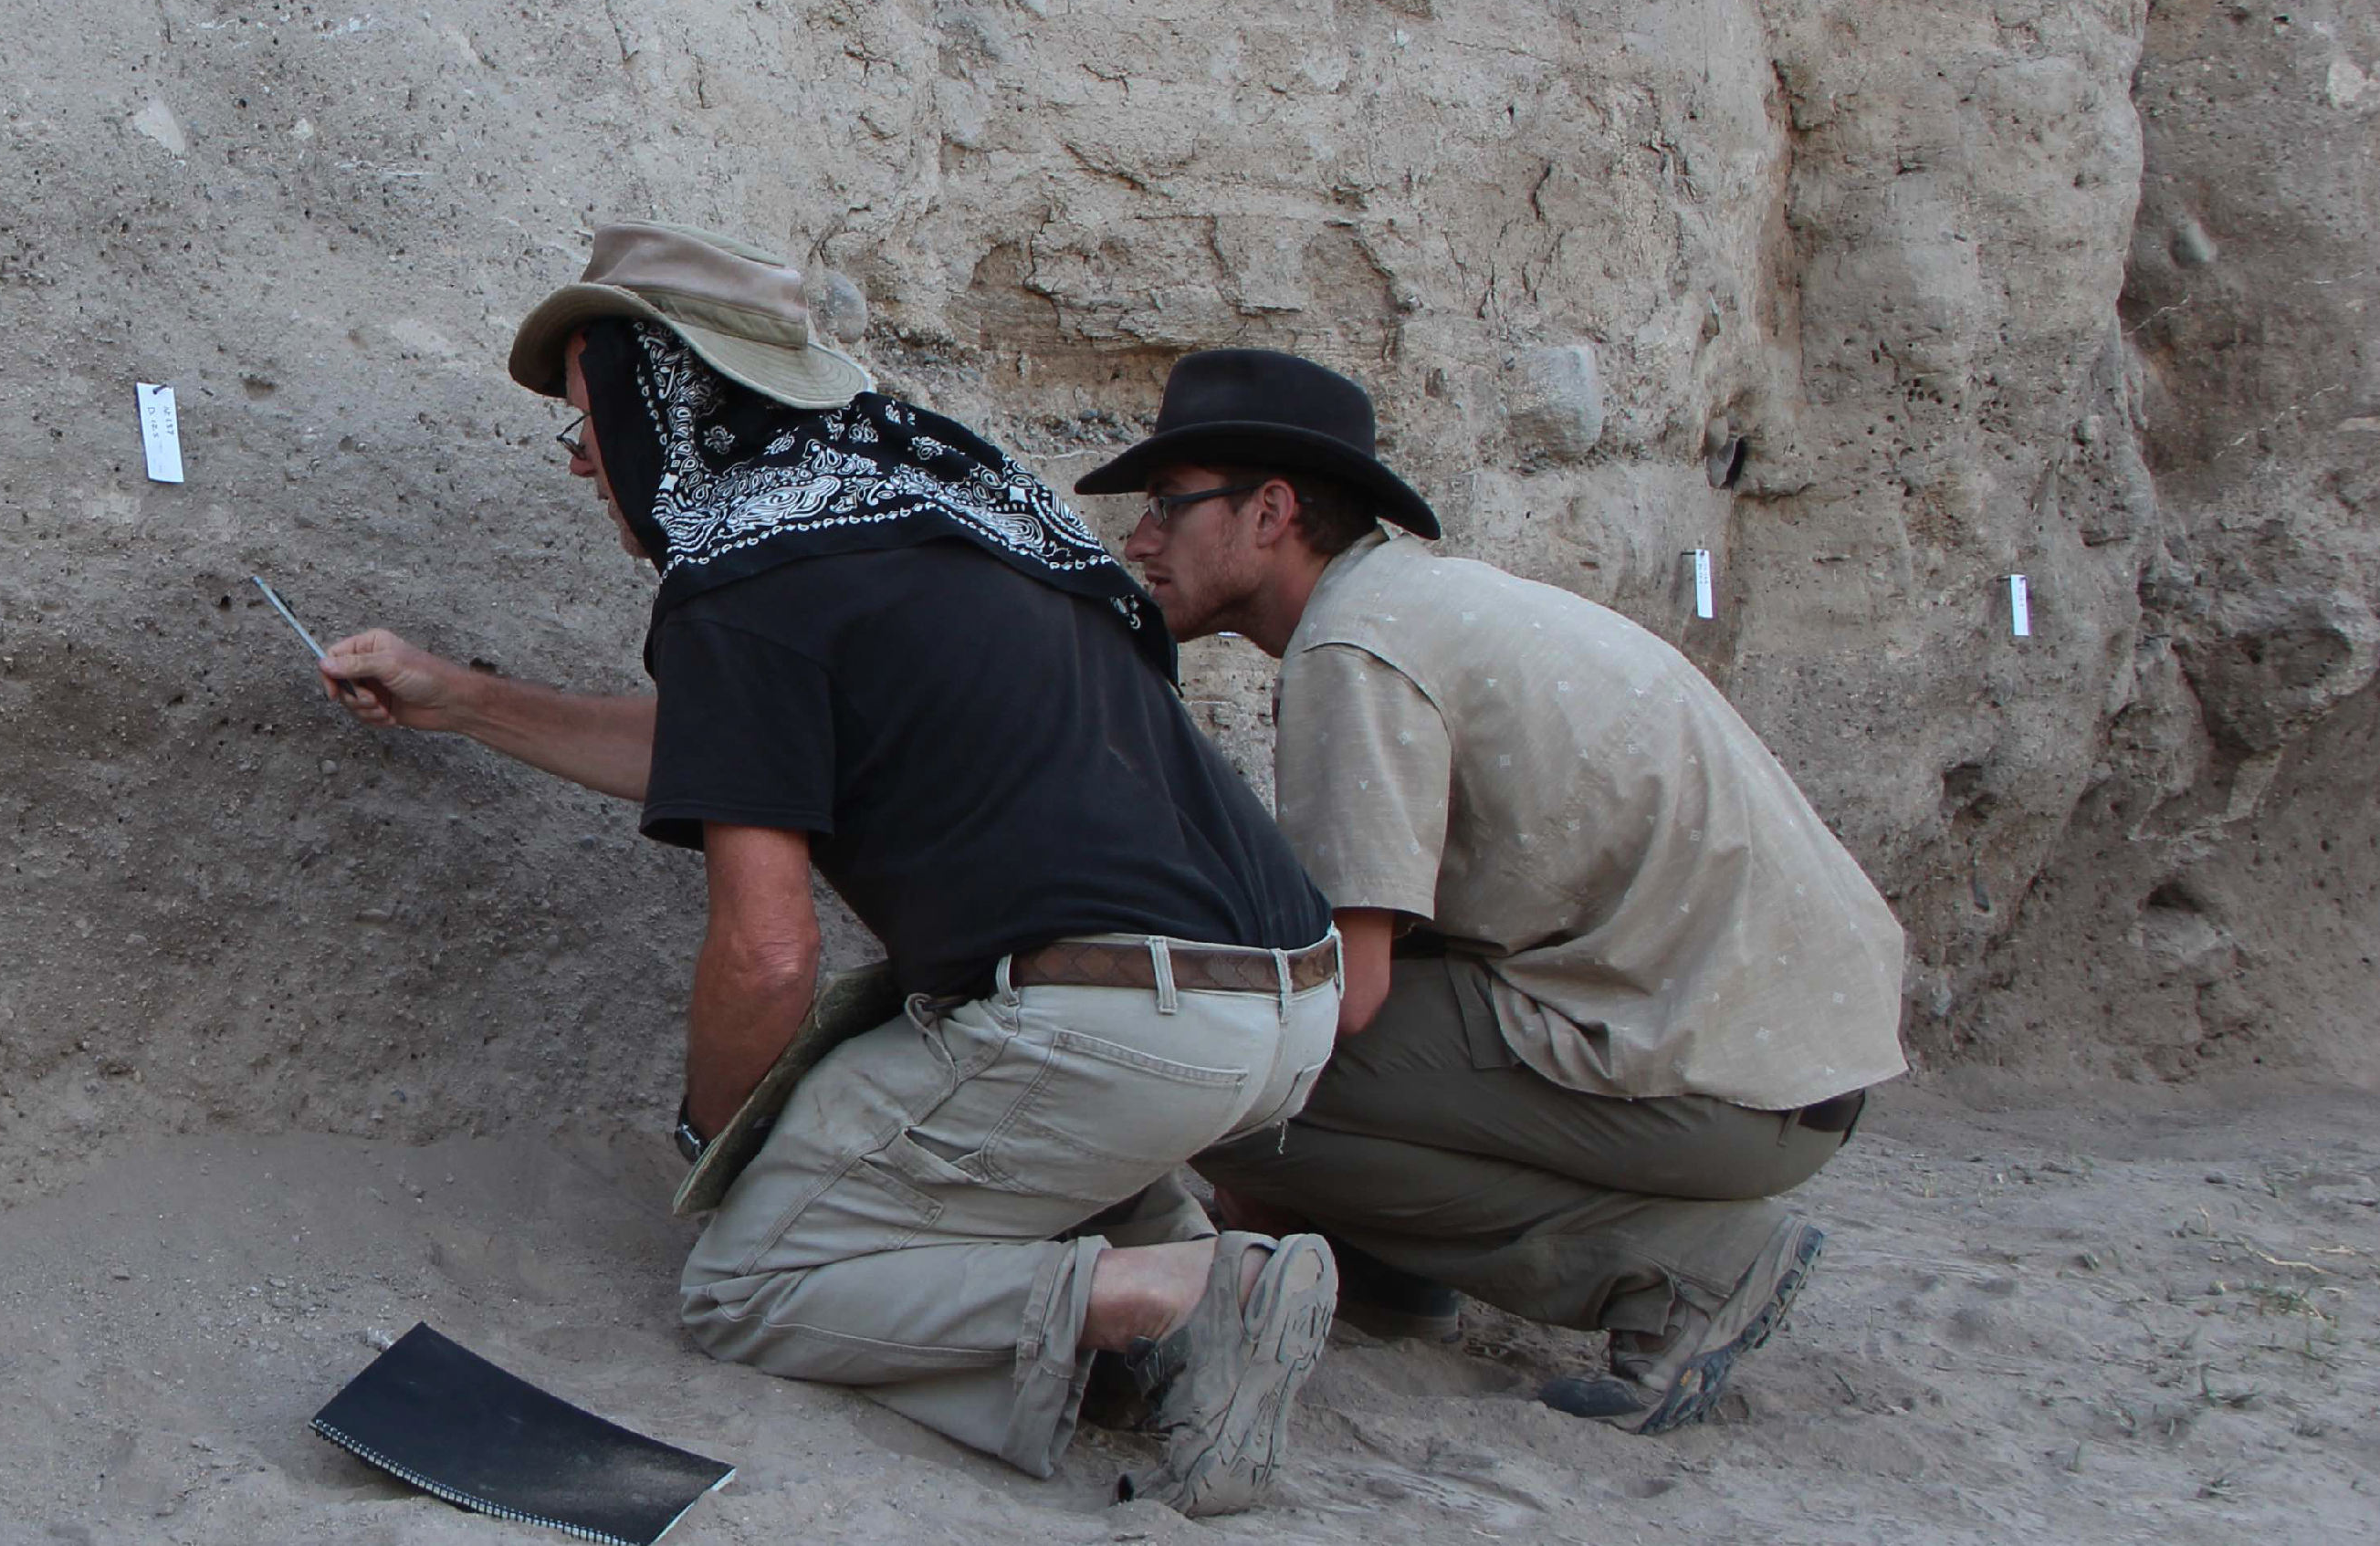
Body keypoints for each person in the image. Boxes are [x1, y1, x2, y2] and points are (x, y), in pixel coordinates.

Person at [319, 222, 1347, 1512]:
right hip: (1283, 1002)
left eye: (588, 424)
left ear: (666, 402)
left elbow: (768, 953)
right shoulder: (947, 509)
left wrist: (720, 1138)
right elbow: (736, 756)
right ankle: (1172, 1268)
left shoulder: (743, 575)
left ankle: (1179, 1296)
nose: (584, 465)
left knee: (752, 1283)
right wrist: (457, 699)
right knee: (996, 1107)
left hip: (1112, 1022)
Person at [1076, 347, 1910, 1433]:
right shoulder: (1411, 602)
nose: (1139, 539)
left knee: (1225, 1081)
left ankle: (1676, 1267)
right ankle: (1385, 1272)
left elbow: (1348, 992)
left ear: (1269, 510)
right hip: (1783, 1057)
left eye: (1168, 505)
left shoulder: (1352, 649)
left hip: (1730, 1090)